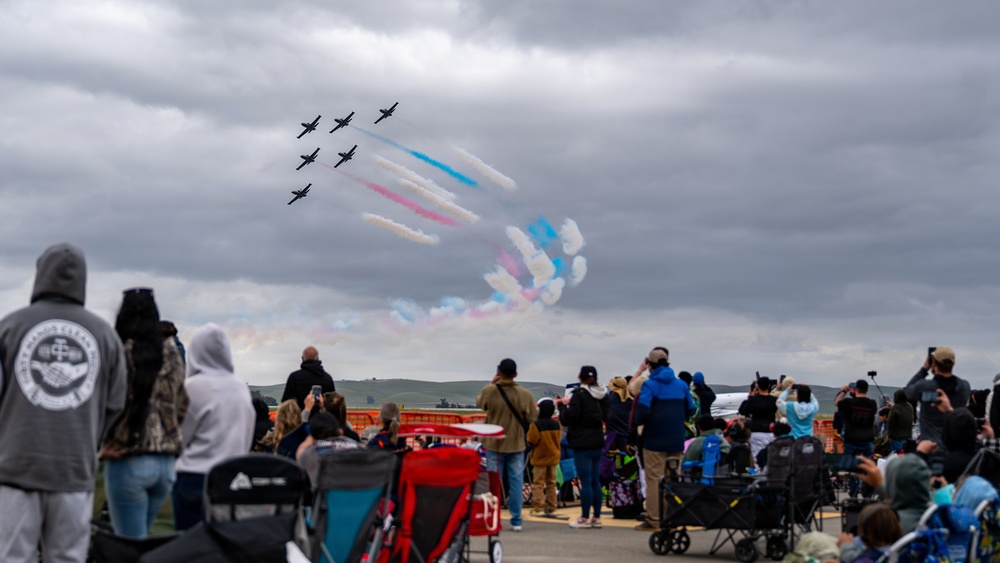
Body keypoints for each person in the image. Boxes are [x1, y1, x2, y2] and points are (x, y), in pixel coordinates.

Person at [0, 243, 127, 562]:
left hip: (15, 469)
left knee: (12, 556)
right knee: (69, 557)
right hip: (74, 470)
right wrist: (88, 440)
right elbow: (115, 403)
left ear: (40, 273)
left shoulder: (10, 327)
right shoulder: (105, 336)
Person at [101, 288, 188, 538]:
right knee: (142, 539)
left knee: (129, 545)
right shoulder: (172, 354)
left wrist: (106, 439)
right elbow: (183, 403)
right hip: (166, 465)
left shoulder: (118, 354)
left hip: (128, 457)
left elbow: (108, 404)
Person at [172, 323, 255, 531]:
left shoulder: (193, 387)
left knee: (190, 546)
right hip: (232, 478)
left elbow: (179, 437)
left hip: (194, 479)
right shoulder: (240, 388)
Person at [632, 347, 694, 531]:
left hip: (654, 440)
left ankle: (654, 519)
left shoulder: (650, 385)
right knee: (673, 478)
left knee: (654, 479)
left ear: (649, 365)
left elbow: (641, 412)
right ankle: (673, 516)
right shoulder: (681, 385)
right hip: (676, 439)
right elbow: (690, 409)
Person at [476, 358, 537, 532]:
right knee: (517, 482)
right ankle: (516, 520)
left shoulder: (490, 391)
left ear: (499, 372)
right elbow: (533, 417)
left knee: (494, 482)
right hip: (517, 444)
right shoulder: (524, 394)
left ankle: (493, 517)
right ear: (516, 374)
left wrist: (492, 382)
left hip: (494, 444)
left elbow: (480, 403)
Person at [558, 365, 609, 529]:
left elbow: (568, 419)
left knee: (585, 481)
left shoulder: (579, 395)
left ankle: (585, 517)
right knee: (595, 481)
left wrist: (562, 407)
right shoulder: (602, 394)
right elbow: (607, 416)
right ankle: (597, 517)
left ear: (580, 377)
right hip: (597, 440)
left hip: (581, 442)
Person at [904, 346, 971, 451]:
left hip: (929, 447)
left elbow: (908, 391)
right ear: (953, 363)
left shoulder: (925, 387)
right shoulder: (964, 386)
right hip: (953, 447)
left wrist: (924, 369)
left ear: (933, 363)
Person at [857, 454, 932, 533]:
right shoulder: (937, 513)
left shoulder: (889, 523)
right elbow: (907, 495)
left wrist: (847, 544)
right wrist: (879, 485)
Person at [836, 379, 878, 498]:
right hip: (867, 440)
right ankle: (867, 494)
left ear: (855, 389)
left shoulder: (849, 403)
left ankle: (853, 494)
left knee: (852, 469)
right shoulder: (872, 404)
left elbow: (837, 402)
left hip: (851, 440)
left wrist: (843, 391)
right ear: (867, 389)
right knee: (868, 468)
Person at [296, 411, 361, 487]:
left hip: (323, 495)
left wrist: (307, 442)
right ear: (339, 431)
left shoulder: (310, 452)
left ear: (312, 436)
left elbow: (300, 456)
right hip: (357, 493)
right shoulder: (358, 446)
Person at [526, 398, 561, 517]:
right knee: (552, 483)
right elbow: (559, 438)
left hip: (540, 457)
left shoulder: (536, 424)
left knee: (538, 483)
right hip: (554, 456)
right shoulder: (556, 423)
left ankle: (538, 508)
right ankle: (552, 507)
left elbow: (532, 440)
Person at [838, 502, 904, 563]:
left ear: (864, 534)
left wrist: (845, 545)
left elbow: (851, 559)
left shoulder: (866, 558)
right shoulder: (905, 550)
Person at [738, 377, 778, 464]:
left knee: (757, 458)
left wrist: (750, 397)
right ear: (768, 386)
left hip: (757, 431)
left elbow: (742, 410)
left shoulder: (753, 400)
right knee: (770, 458)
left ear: (758, 386)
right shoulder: (774, 401)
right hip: (770, 432)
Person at [886, 388, 914, 453]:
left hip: (897, 439)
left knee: (896, 458)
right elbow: (902, 411)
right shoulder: (910, 406)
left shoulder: (894, 408)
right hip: (908, 438)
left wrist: (889, 436)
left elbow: (890, 423)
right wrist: (893, 407)